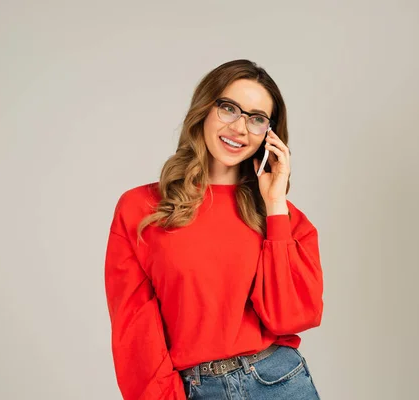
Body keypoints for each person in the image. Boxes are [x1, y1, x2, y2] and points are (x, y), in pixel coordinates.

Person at [104, 59, 323, 399]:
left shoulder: (285, 218)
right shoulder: (141, 209)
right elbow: (134, 331)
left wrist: (275, 207)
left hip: (279, 385)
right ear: (205, 110)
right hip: (197, 390)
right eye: (229, 108)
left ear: (270, 134)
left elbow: (290, 317)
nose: (240, 128)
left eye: (257, 118)